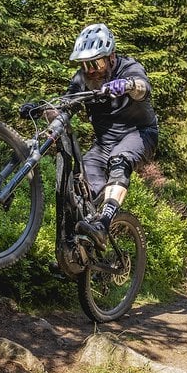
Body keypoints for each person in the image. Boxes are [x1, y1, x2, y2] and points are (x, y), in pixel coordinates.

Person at [63, 23, 158, 246]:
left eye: (96, 62)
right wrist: (41, 109)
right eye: (85, 65)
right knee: (81, 184)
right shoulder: (82, 79)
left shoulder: (128, 67)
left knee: (120, 160)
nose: (91, 70)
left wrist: (127, 85)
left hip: (139, 134)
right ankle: (81, 250)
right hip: (103, 144)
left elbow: (143, 87)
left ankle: (103, 225)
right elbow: (65, 106)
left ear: (111, 57)